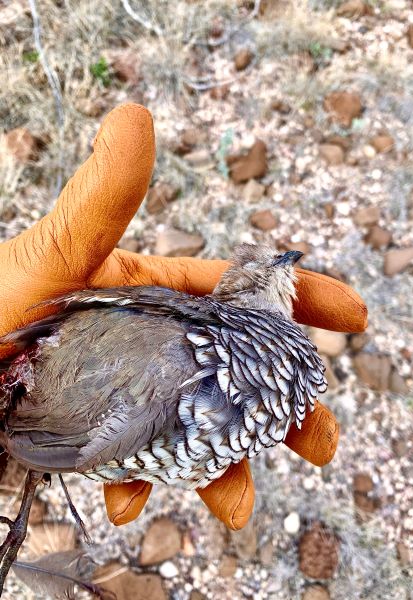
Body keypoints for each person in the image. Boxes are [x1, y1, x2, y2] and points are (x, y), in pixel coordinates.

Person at [0, 104, 367, 530]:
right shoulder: (176, 352)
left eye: (272, 266)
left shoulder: (217, 352)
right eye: (258, 272)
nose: (277, 269)